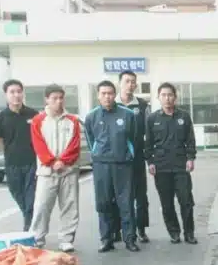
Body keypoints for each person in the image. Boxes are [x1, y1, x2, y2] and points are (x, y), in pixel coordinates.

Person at [83, 80, 140, 252]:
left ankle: (130, 238)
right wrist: (97, 154)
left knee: (126, 202)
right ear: (98, 95)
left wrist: (128, 154)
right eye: (103, 93)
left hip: (123, 165)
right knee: (104, 202)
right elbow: (90, 139)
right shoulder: (91, 116)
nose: (107, 96)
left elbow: (134, 138)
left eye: (110, 93)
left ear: (115, 94)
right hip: (101, 165)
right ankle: (106, 239)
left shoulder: (127, 114)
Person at [29, 84, 81, 252]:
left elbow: (75, 145)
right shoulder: (38, 121)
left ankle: (67, 238)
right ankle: (37, 238)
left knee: (69, 205)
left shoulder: (72, 120)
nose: (58, 102)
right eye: (54, 98)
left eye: (61, 98)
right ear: (47, 100)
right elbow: (39, 145)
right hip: (46, 172)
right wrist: (52, 162)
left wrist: (63, 161)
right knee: (42, 206)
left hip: (69, 170)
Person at [145, 83, 197, 244]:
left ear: (175, 97)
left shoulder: (184, 116)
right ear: (158, 97)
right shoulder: (152, 119)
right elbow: (148, 144)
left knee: (186, 200)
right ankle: (174, 232)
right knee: (166, 203)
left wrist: (190, 158)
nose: (167, 98)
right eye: (163, 95)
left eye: (170, 95)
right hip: (161, 167)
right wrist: (150, 162)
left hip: (181, 165)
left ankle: (189, 233)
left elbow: (190, 140)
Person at [0, 79, 39, 231]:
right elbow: (0, 141)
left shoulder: (33, 114)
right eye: (12, 92)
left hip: (32, 162)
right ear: (6, 95)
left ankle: (29, 227)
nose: (16, 95)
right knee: (18, 195)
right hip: (12, 163)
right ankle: (29, 220)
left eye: (19, 92)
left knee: (31, 198)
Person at [112, 70, 151, 243]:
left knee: (140, 196)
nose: (130, 85)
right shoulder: (112, 104)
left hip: (137, 158)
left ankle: (141, 229)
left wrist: (149, 156)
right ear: (120, 83)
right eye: (127, 81)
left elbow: (149, 132)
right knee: (118, 196)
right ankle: (118, 230)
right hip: (117, 159)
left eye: (133, 82)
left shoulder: (142, 106)